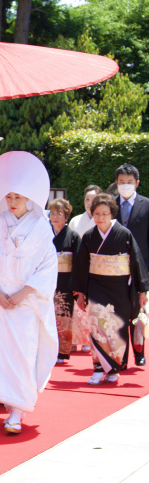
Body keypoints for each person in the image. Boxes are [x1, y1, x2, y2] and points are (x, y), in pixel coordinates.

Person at [0, 151, 59, 435]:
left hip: (26, 303)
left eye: (17, 197)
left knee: (23, 353)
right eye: (8, 197)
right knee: (1, 353)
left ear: (29, 198)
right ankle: (8, 405)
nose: (11, 202)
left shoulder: (42, 228)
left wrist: (22, 294)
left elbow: (47, 266)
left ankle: (18, 411)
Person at [73, 194, 149, 384]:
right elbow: (81, 264)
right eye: (97, 213)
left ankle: (114, 369)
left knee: (117, 327)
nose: (100, 218)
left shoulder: (124, 234)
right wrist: (80, 291)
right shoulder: (89, 236)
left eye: (105, 214)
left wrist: (142, 290)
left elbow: (137, 262)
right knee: (96, 324)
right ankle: (98, 368)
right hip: (96, 284)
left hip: (120, 287)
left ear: (111, 214)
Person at [114, 164, 149, 366]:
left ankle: (139, 353)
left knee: (138, 312)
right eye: (121, 182)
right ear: (116, 183)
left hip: (140, 268)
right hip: (115, 269)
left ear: (136, 183)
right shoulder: (110, 205)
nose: (125, 185)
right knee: (118, 313)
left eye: (129, 182)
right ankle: (121, 356)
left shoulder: (146, 204)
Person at [69, 185, 102, 353]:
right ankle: (75, 339)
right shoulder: (75, 221)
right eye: (87, 199)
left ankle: (91, 339)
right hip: (79, 267)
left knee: (93, 306)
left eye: (93, 200)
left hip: (97, 268)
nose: (90, 203)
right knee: (77, 306)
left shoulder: (102, 220)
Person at [48, 198, 81, 364]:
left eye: (59, 213)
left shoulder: (73, 236)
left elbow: (79, 263)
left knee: (63, 317)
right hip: (47, 282)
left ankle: (62, 352)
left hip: (65, 281)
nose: (55, 217)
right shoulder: (45, 234)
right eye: (52, 213)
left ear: (66, 216)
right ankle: (47, 350)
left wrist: (76, 286)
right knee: (46, 317)